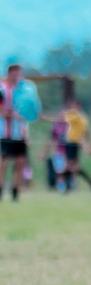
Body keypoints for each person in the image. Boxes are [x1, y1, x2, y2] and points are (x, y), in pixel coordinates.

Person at [0, 60, 43, 201]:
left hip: (21, 133)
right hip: (5, 132)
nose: (18, 75)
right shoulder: (2, 89)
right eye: (15, 73)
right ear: (10, 73)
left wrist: (31, 114)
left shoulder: (26, 89)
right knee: (4, 161)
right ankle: (1, 187)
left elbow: (31, 108)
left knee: (20, 162)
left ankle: (15, 190)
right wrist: (10, 114)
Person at [57, 79, 91, 192]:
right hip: (72, 142)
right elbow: (86, 133)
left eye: (74, 105)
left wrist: (88, 146)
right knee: (72, 166)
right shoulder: (80, 117)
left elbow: (85, 133)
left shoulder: (78, 117)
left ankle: (66, 183)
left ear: (78, 106)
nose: (73, 107)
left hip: (74, 143)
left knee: (72, 166)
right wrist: (88, 146)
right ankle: (90, 185)